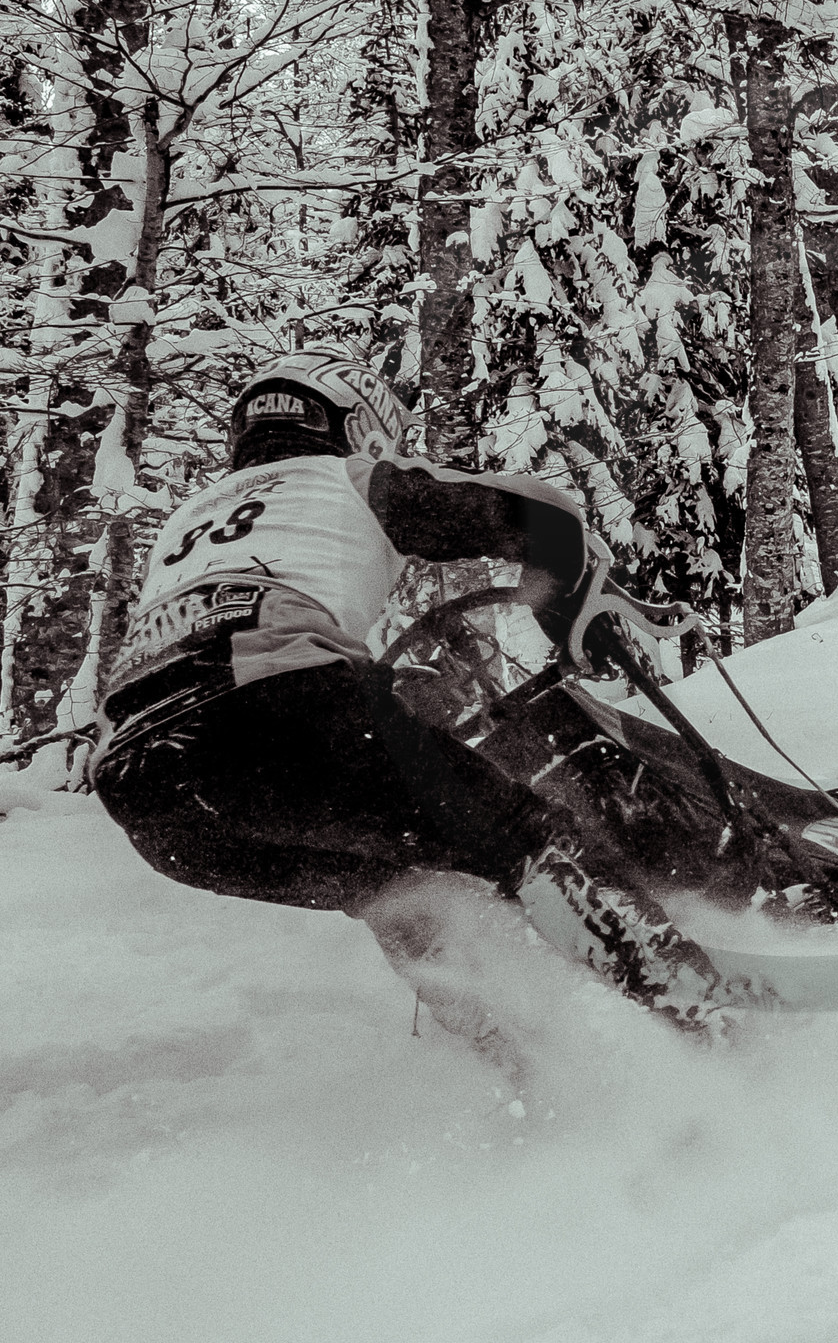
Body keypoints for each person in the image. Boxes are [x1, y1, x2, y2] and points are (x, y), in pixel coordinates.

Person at [90, 351, 726, 1035]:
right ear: (361, 423)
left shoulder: (188, 524)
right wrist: (566, 614)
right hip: (281, 708)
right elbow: (544, 515)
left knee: (395, 888)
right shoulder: (348, 476)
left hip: (146, 792)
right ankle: (705, 1018)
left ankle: (527, 1067)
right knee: (529, 839)